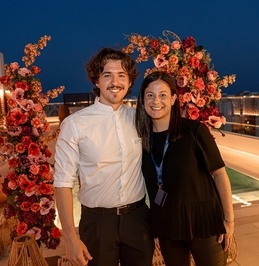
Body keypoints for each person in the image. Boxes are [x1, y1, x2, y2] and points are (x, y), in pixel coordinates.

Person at [53, 48, 154, 266]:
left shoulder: (140, 119)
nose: (114, 82)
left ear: (129, 82)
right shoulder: (75, 124)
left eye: (121, 75)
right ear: (97, 81)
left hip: (137, 219)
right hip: (97, 224)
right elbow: (62, 183)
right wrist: (70, 237)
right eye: (107, 75)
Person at [136, 71, 235, 266]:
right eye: (150, 95)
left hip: (204, 222)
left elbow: (220, 174)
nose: (156, 101)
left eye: (163, 95)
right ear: (143, 99)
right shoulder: (141, 139)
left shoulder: (194, 130)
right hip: (167, 226)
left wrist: (229, 220)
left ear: (173, 99)